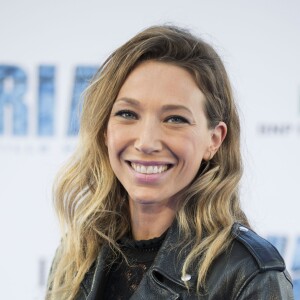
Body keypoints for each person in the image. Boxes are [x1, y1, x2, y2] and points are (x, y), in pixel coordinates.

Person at [46, 25, 293, 299]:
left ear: (214, 139)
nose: (146, 142)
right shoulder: (77, 255)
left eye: (175, 119)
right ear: (104, 130)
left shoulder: (247, 274)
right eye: (128, 114)